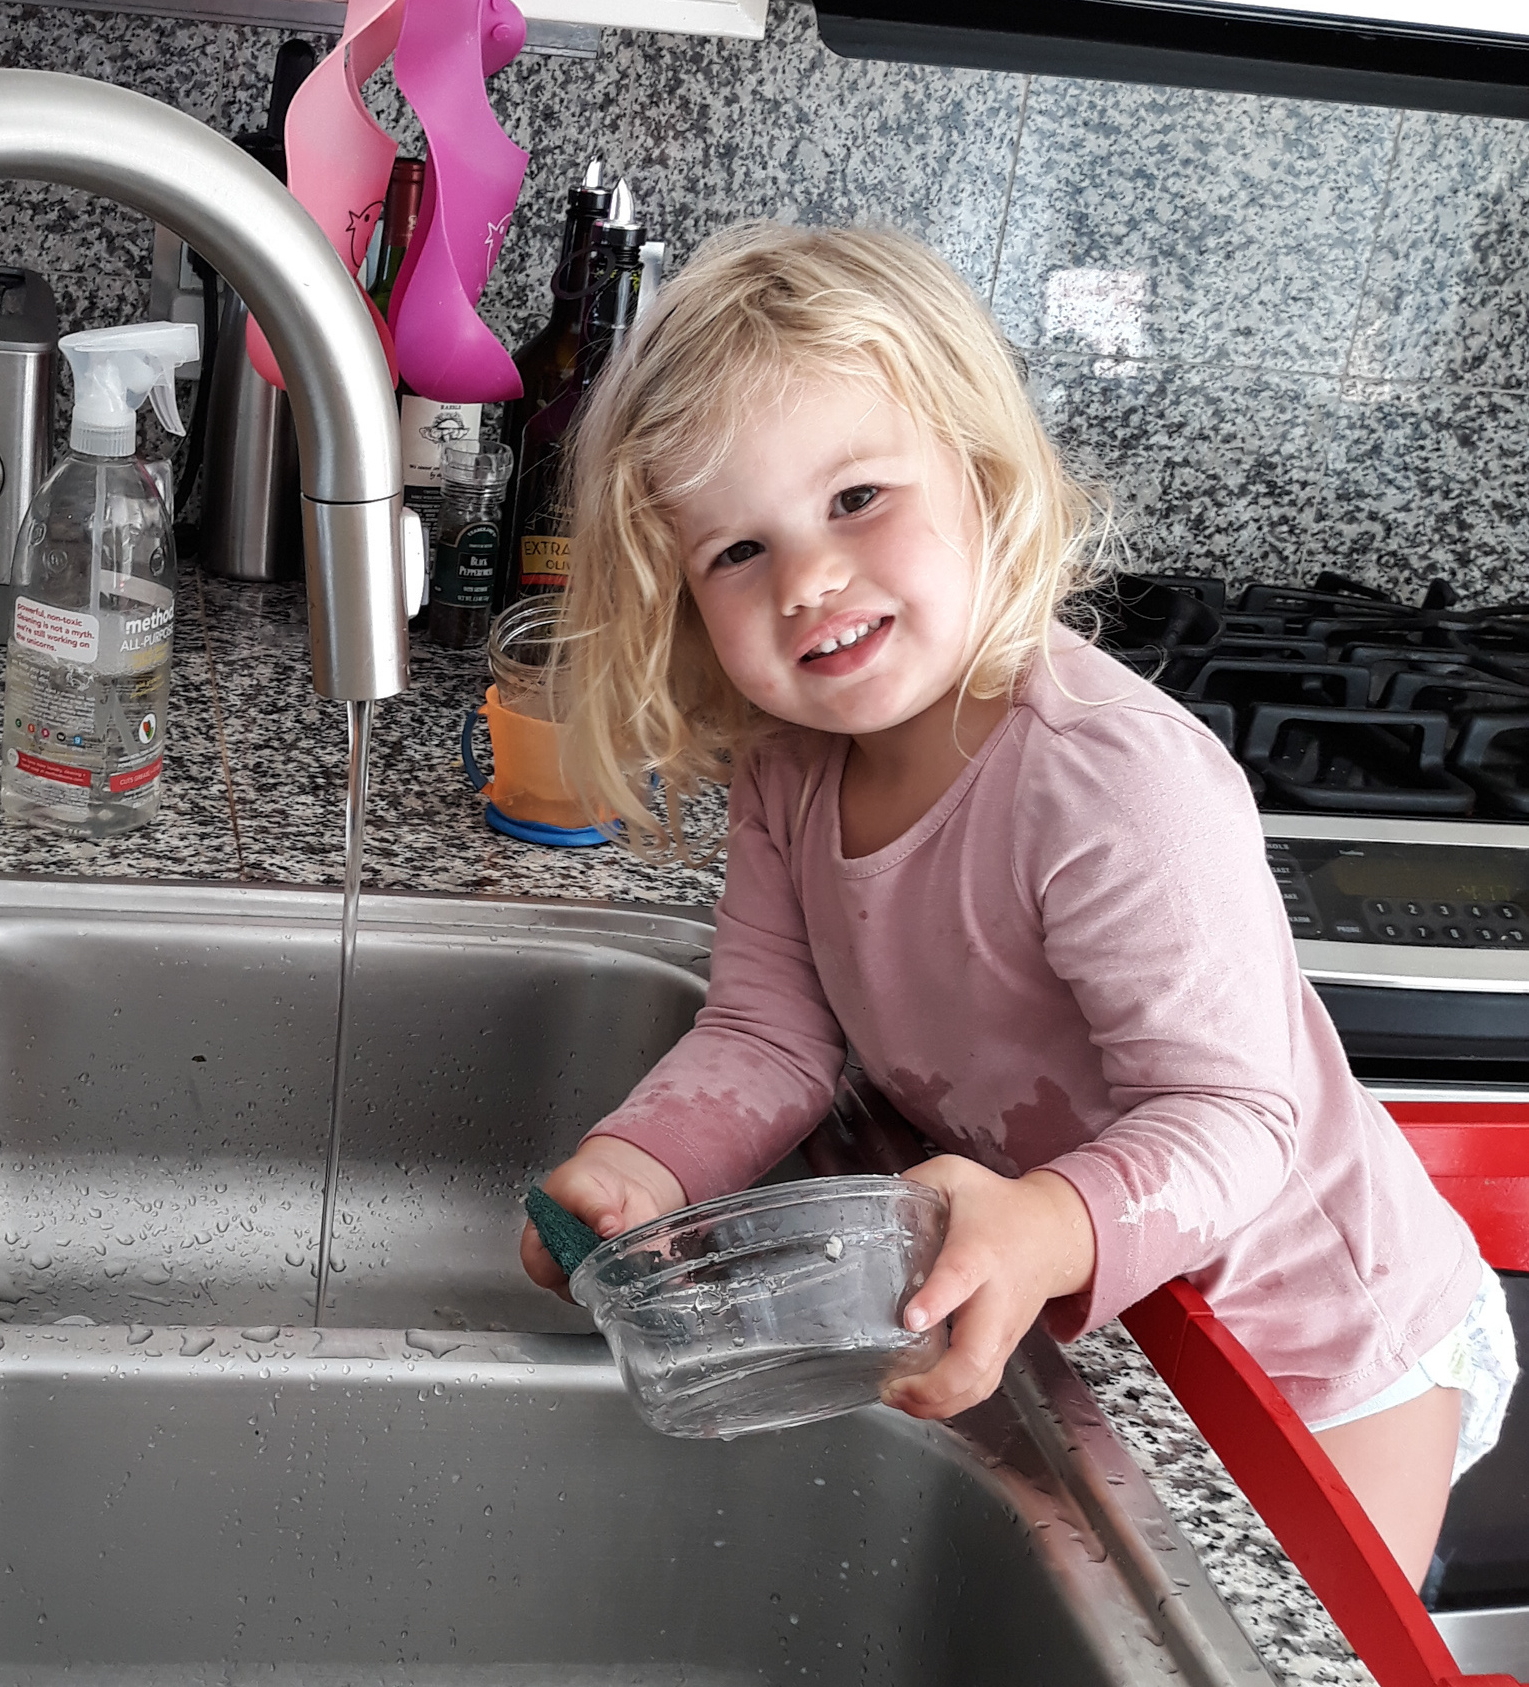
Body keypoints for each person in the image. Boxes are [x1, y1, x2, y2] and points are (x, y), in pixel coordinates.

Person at [518, 222, 1516, 1585]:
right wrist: (645, 1167)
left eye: (856, 497)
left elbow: (1237, 1122)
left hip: (1321, 1345)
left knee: (1286, 1644)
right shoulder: (790, 768)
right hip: (1095, 1312)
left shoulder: (1107, 786)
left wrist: (1045, 1223)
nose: (805, 578)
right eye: (738, 550)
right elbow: (768, 1037)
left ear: (983, 478)